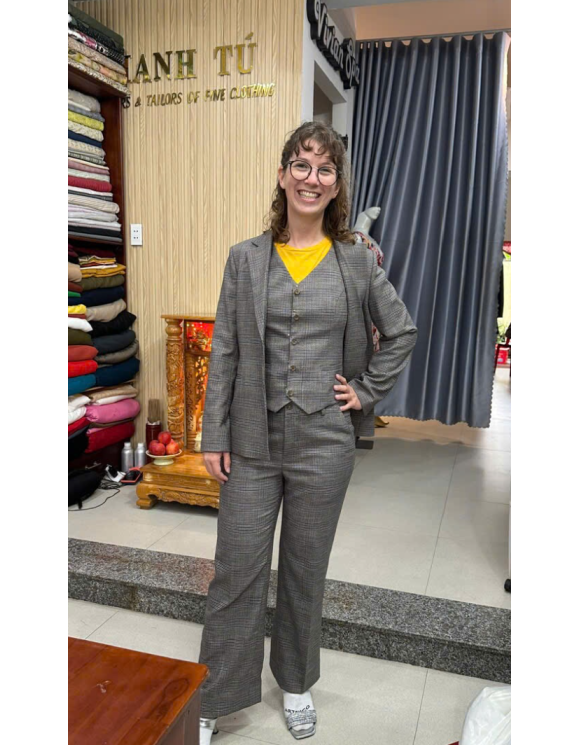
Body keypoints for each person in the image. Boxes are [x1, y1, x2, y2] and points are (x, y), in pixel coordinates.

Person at [198, 121, 417, 742]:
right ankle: (214, 695)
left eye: (325, 169)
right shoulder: (245, 258)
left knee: (304, 568)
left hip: (325, 441)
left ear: (336, 185)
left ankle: (295, 683)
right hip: (251, 440)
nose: (312, 179)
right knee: (236, 568)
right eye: (301, 165)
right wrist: (214, 434)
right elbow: (225, 350)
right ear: (282, 174)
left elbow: (401, 331)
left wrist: (366, 391)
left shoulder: (356, 260)